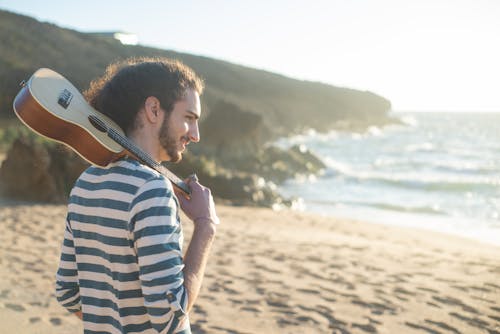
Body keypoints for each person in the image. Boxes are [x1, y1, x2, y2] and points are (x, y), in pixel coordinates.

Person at [55, 57, 219, 333]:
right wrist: (206, 226)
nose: (196, 134)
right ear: (154, 109)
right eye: (189, 118)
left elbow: (67, 292)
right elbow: (169, 318)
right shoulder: (151, 190)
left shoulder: (86, 182)